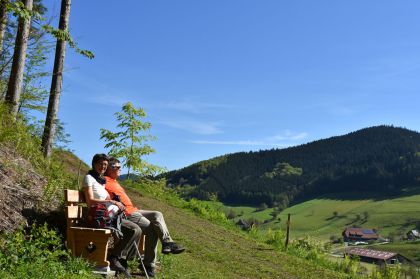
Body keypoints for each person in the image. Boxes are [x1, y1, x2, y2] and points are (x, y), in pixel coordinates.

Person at [105, 157, 185, 277]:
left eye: (120, 166)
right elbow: (102, 198)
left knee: (157, 214)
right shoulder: (104, 181)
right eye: (117, 167)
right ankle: (149, 265)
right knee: (152, 229)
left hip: (134, 210)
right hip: (126, 213)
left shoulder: (114, 181)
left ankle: (167, 242)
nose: (120, 169)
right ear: (109, 168)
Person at [83, 153, 141, 277]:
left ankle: (119, 259)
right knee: (134, 230)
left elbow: (105, 198)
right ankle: (116, 258)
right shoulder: (89, 178)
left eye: (105, 165)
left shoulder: (101, 181)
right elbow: (90, 201)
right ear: (93, 164)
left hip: (110, 216)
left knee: (136, 230)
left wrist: (116, 202)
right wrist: (111, 201)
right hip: (99, 217)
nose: (103, 167)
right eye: (100, 164)